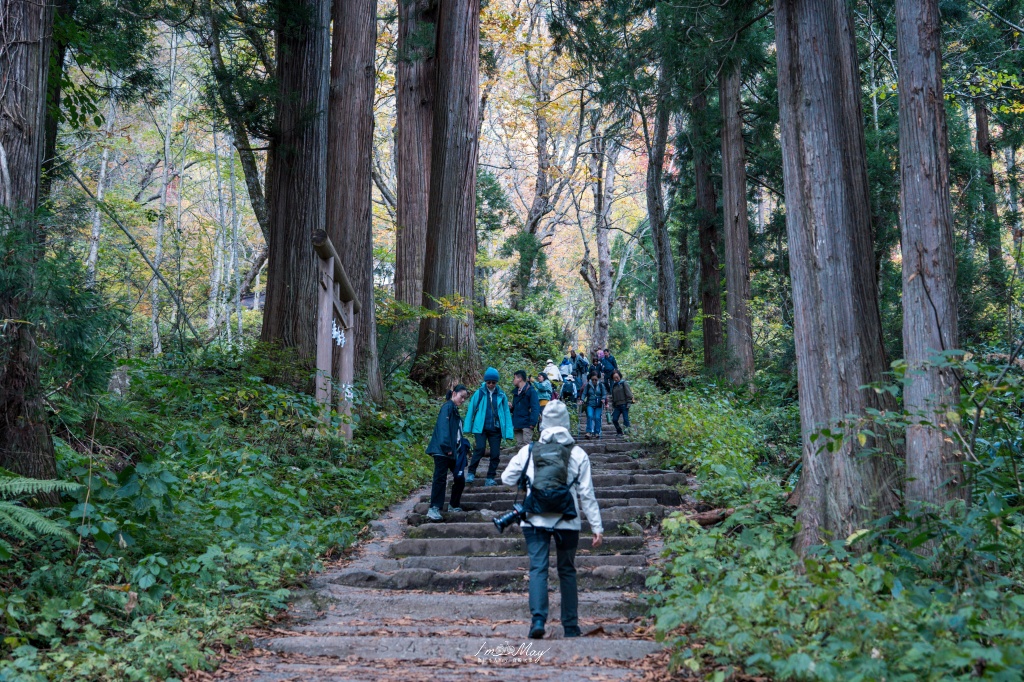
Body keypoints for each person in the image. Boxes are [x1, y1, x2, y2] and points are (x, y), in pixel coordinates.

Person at [501, 400, 603, 640]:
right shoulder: (578, 453)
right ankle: (570, 626)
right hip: (568, 521)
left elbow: (506, 478)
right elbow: (586, 494)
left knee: (538, 568)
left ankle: (537, 620)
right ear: (567, 422)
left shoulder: (528, 450)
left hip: (534, 519)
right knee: (567, 570)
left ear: (543, 422)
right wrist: (596, 526)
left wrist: (528, 481)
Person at [424, 385, 470, 521]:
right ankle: (434, 509)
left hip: (451, 451)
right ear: (454, 393)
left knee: (459, 478)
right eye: (461, 397)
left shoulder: (454, 410)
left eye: (465, 398)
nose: (463, 400)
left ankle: (453, 504)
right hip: (443, 451)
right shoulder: (448, 407)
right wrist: (447, 447)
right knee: (440, 478)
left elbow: (455, 432)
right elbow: (443, 428)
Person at [464, 367, 513, 486]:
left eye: (493, 382)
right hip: (480, 427)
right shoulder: (479, 393)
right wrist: (467, 427)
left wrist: (508, 432)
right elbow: (471, 409)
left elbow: (506, 413)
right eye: (488, 382)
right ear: (485, 382)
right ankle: (471, 472)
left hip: (496, 429)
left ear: (496, 382)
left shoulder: (501, 394)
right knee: (480, 449)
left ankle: (490, 477)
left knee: (495, 454)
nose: (491, 384)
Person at [511, 370, 541, 447]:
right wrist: (511, 407)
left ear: (520, 378)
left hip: (527, 423)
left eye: (514, 378)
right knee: (519, 446)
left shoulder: (531, 391)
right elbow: (517, 407)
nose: (513, 380)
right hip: (517, 423)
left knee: (527, 447)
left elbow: (535, 407)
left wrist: (533, 422)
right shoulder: (516, 392)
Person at [580, 372, 607, 439]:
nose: (594, 381)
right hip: (590, 404)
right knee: (590, 416)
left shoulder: (601, 385)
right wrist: (582, 399)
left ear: (598, 379)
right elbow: (584, 393)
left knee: (597, 417)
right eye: (593, 379)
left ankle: (597, 432)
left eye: (595, 379)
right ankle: (588, 432)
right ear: (590, 379)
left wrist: (603, 399)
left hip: (599, 405)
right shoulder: (588, 385)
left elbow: (604, 394)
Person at [609, 370, 634, 436]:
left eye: (617, 377)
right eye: (614, 378)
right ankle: (619, 431)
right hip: (617, 406)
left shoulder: (624, 383)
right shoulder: (614, 386)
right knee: (614, 419)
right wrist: (613, 404)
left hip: (624, 404)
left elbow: (629, 394)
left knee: (625, 419)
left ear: (619, 376)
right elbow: (613, 396)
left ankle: (627, 433)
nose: (616, 379)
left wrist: (629, 403)